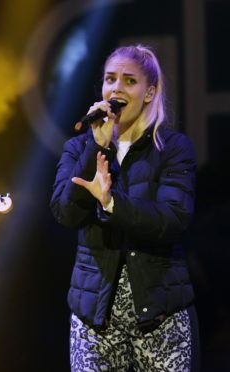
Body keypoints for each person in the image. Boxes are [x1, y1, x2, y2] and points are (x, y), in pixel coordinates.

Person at [50, 45, 199, 371]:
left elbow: (173, 218)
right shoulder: (78, 147)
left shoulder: (173, 149)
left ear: (149, 92)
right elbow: (65, 213)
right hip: (94, 322)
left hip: (160, 317)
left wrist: (111, 202)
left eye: (129, 81)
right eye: (110, 79)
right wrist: (96, 148)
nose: (116, 88)